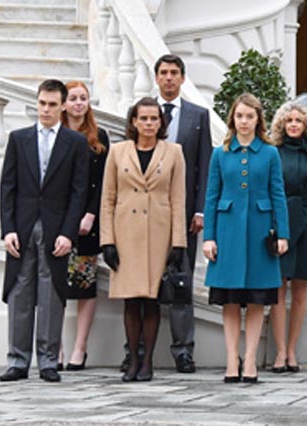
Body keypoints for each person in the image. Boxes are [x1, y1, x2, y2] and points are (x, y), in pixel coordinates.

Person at [0, 79, 90, 383]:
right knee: (20, 290)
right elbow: (7, 188)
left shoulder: (75, 143)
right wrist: (7, 229)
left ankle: (49, 361)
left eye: (52, 104)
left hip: (56, 230)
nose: (46, 109)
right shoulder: (18, 138)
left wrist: (68, 233)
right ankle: (17, 360)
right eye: (42, 103)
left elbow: (79, 192)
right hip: (22, 228)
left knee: (52, 294)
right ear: (36, 103)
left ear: (62, 105)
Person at [128, 54, 210, 374]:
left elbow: (204, 168)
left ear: (183, 77)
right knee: (140, 284)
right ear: (156, 76)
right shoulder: (141, 114)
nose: (169, 78)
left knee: (180, 283)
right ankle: (134, 350)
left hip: (183, 215)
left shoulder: (198, 116)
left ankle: (183, 350)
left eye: (174, 73)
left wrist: (200, 210)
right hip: (144, 215)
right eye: (163, 73)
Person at [202, 93, 290, 384]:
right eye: (239, 116)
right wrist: (209, 237)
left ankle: (250, 359)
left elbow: (278, 195)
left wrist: (283, 234)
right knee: (229, 302)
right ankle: (231, 359)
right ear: (232, 118)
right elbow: (211, 197)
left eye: (250, 116)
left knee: (255, 300)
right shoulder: (220, 153)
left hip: (260, 233)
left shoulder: (269, 152)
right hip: (226, 234)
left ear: (258, 120)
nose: (244, 122)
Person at [100, 97, 187, 382]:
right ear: (134, 122)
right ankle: (133, 359)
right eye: (144, 118)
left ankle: (147, 361)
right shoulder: (117, 151)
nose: (149, 124)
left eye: (154, 118)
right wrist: (107, 241)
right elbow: (108, 199)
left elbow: (178, 200)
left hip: (158, 234)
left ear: (161, 122)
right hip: (125, 233)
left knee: (151, 301)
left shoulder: (173, 152)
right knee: (129, 301)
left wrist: (178, 243)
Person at [268, 101, 307, 374]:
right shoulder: (273, 153)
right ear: (282, 124)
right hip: (279, 224)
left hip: (305, 222)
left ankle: (292, 350)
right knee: (278, 289)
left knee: (301, 291)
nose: (293, 125)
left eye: (298, 121)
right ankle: (279, 352)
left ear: (306, 126)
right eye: (289, 120)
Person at [60, 80, 110, 371]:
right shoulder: (56, 133)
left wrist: (91, 213)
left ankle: (80, 348)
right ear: (64, 103)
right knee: (55, 286)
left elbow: (102, 180)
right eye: (73, 98)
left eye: (83, 98)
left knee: (85, 285)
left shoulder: (98, 135)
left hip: (87, 223)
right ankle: (57, 349)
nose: (79, 103)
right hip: (59, 219)